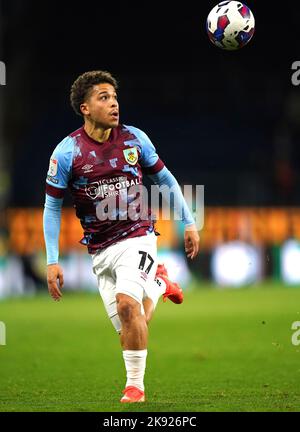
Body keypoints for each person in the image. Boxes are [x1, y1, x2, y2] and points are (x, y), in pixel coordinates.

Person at [43, 70, 200, 403]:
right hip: (100, 250)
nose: (113, 103)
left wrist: (188, 221)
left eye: (114, 97)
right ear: (84, 107)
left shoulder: (134, 139)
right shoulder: (67, 152)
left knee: (128, 306)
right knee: (132, 326)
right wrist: (52, 260)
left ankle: (135, 389)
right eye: (104, 97)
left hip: (138, 235)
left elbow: (166, 181)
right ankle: (159, 284)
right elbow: (52, 207)